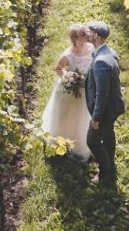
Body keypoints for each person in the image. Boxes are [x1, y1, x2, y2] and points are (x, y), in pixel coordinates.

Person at [40, 23, 94, 161]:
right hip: (71, 91)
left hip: (85, 89)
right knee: (68, 116)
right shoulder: (68, 55)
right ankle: (64, 140)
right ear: (75, 38)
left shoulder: (91, 48)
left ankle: (80, 142)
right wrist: (68, 77)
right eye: (83, 34)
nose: (87, 34)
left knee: (83, 116)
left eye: (86, 32)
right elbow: (58, 68)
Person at [84, 20, 125, 188]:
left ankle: (105, 173)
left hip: (106, 110)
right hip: (114, 106)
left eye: (89, 31)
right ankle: (110, 161)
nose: (86, 33)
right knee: (108, 133)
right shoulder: (109, 51)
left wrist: (96, 118)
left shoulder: (101, 61)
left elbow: (102, 94)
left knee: (92, 142)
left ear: (96, 35)